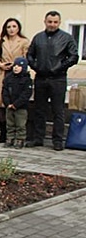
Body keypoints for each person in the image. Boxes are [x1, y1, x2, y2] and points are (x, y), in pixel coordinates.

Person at [27, 11, 78, 151]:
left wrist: (60, 67)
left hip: (58, 79)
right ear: (45, 21)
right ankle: (38, 138)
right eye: (50, 21)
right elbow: (30, 55)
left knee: (58, 111)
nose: (52, 24)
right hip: (41, 78)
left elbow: (74, 56)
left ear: (59, 23)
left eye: (55, 22)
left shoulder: (66, 38)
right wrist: (35, 66)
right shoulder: (38, 38)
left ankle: (57, 140)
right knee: (39, 110)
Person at [0, 18, 29, 143]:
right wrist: (0, 65)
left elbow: (26, 59)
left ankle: (17, 134)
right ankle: (3, 132)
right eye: (9, 27)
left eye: (14, 26)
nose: (11, 29)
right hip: (4, 73)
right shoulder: (0, 41)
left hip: (18, 74)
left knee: (16, 102)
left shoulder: (24, 42)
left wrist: (18, 66)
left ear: (18, 28)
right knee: (2, 103)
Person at [2, 57, 33, 149]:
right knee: (10, 123)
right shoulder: (8, 78)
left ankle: (20, 139)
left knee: (20, 124)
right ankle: (10, 138)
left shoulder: (27, 80)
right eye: (15, 65)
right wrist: (7, 103)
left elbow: (26, 94)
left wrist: (16, 104)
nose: (16, 67)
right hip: (9, 105)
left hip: (21, 107)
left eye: (19, 66)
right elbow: (5, 92)